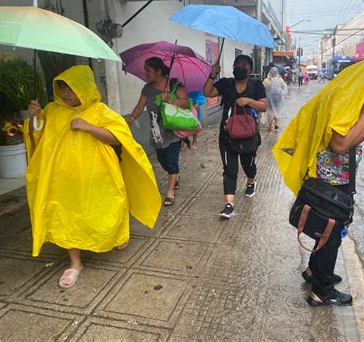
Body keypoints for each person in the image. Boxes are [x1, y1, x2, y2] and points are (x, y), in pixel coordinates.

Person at [273, 56, 364, 306]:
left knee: (326, 229)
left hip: (331, 177)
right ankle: (322, 292)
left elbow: (351, 137)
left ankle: (314, 271)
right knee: (330, 234)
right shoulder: (348, 99)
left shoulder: (350, 94)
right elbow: (341, 144)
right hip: (330, 180)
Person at [24, 65, 161, 289]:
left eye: (70, 88)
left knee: (105, 209)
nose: (65, 93)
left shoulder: (100, 111)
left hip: (100, 177)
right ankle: (75, 262)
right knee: (66, 216)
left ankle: (115, 236)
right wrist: (35, 119)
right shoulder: (52, 110)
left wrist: (88, 127)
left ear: (84, 87)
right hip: (64, 179)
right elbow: (38, 139)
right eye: (61, 88)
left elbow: (118, 138)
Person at [203, 55, 267, 219]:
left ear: (250, 69)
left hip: (248, 135)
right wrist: (212, 75)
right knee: (229, 170)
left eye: (244, 65)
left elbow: (263, 106)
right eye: (237, 64)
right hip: (227, 135)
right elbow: (207, 92)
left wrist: (248, 101)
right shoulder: (226, 83)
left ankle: (251, 180)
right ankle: (229, 205)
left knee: (248, 165)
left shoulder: (256, 85)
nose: (240, 67)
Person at [128, 57, 190, 207]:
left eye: (148, 70)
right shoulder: (147, 89)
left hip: (173, 132)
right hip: (157, 133)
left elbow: (187, 103)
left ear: (159, 71)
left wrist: (171, 99)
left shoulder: (175, 84)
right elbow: (139, 107)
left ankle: (170, 192)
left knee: (171, 160)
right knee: (163, 161)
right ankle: (175, 176)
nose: (146, 74)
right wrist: (130, 119)